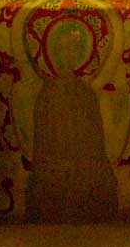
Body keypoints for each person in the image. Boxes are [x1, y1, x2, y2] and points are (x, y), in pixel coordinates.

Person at [26, 27, 117, 223]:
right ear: (56, 53)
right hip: (53, 168)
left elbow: (96, 142)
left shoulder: (87, 94)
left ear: (80, 53)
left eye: (74, 48)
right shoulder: (47, 94)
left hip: (84, 168)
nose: (69, 53)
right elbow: (40, 142)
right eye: (64, 48)